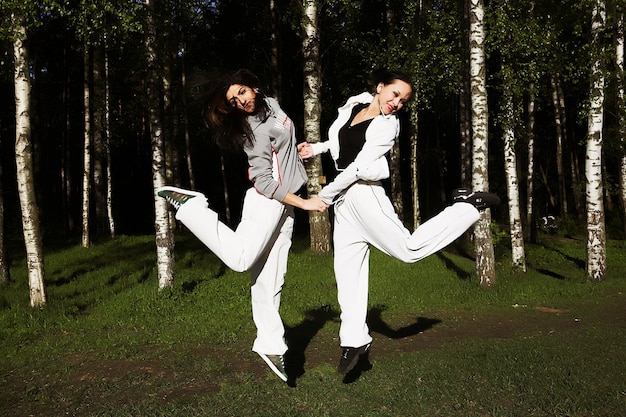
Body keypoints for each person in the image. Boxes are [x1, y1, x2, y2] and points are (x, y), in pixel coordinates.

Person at [298, 69, 499, 375]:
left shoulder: (386, 127)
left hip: (364, 195)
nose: (397, 103)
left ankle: (467, 206)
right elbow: (340, 139)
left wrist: (324, 196)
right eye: (395, 95)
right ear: (380, 88)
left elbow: (359, 167)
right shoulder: (355, 104)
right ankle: (353, 341)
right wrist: (317, 148)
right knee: (348, 275)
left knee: (408, 249)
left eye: (403, 101)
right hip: (344, 204)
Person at [157, 69, 328, 383]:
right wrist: (305, 203)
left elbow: (282, 150)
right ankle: (192, 207)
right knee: (239, 259)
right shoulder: (253, 131)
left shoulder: (272, 105)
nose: (241, 102)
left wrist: (296, 151)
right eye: (235, 100)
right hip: (269, 200)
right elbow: (264, 180)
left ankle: (270, 344)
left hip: (284, 204)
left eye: (241, 93)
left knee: (270, 278)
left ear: (254, 86)